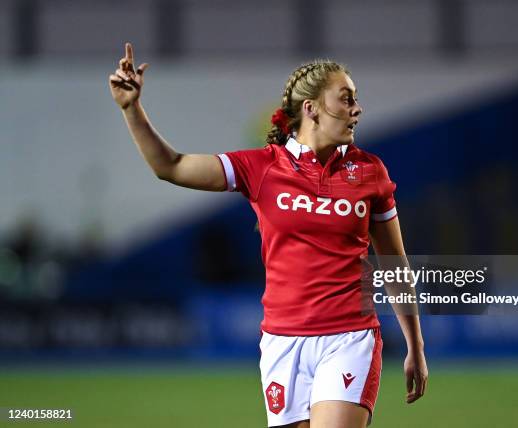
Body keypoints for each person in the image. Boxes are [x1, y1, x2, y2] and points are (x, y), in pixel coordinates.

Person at [109, 43, 428, 428]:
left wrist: (416, 345)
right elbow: (171, 166)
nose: (356, 109)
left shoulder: (370, 172)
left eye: (356, 100)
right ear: (311, 108)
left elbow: (394, 264)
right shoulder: (261, 168)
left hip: (350, 337)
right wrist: (131, 108)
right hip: (282, 342)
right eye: (346, 99)